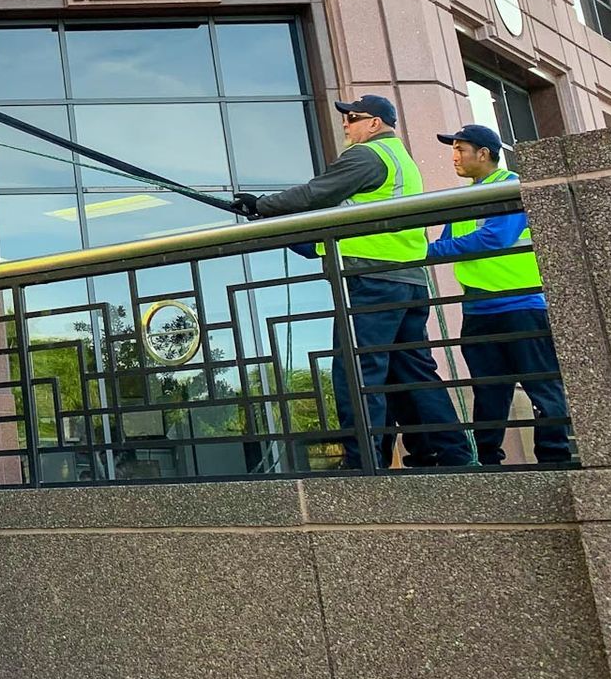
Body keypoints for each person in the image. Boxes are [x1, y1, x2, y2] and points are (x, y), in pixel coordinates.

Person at [234, 94, 471, 469]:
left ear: (375, 123)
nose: (345, 123)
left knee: (357, 371)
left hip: (371, 280)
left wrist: (261, 205)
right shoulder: (401, 160)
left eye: (353, 117)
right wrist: (279, 225)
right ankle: (448, 453)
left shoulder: (366, 156)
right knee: (411, 372)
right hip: (407, 282)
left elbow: (315, 194)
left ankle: (363, 463)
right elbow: (341, 217)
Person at [425, 123, 574, 466]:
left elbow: (494, 238)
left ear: (483, 154)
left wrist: (428, 252)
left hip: (521, 306)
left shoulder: (509, 185)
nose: (454, 156)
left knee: (542, 387)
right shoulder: (463, 197)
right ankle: (488, 460)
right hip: (479, 310)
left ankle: (555, 458)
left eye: (460, 149)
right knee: (488, 391)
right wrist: (429, 250)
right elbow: (449, 241)